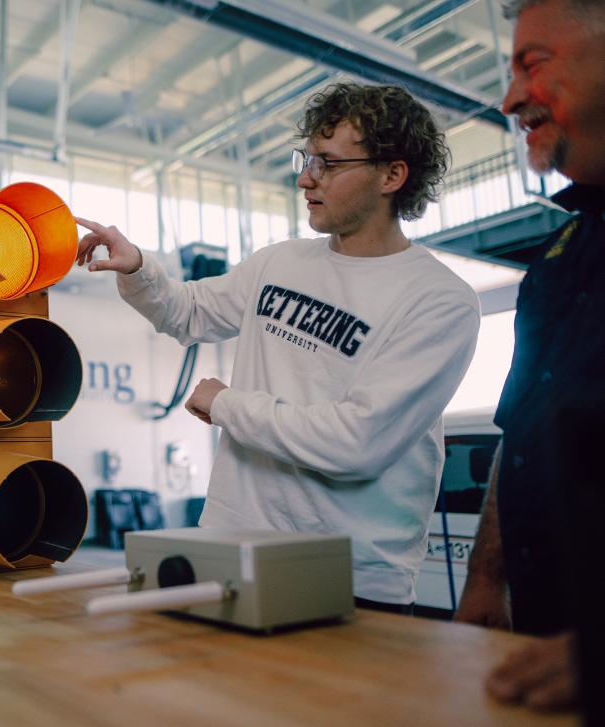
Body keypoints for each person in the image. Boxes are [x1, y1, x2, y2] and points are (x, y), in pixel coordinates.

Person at [76, 82, 481, 612]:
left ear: (392, 174)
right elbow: (190, 311)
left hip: (350, 577)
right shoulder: (281, 262)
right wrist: (139, 269)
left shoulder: (439, 300)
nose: (305, 177)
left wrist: (226, 404)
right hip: (232, 545)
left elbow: (356, 442)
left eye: (329, 164)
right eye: (307, 158)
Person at [454, 0, 605, 712]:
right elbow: (521, 431)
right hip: (544, 653)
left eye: (532, 64)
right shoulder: (558, 256)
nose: (510, 98)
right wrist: (489, 577)